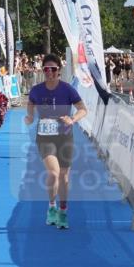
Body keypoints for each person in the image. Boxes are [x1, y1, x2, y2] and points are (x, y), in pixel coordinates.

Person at [24, 53, 87, 230]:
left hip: (65, 136)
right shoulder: (37, 90)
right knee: (53, 173)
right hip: (45, 136)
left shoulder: (67, 89)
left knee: (64, 177)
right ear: (42, 70)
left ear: (59, 70)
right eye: (46, 69)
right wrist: (30, 116)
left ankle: (63, 210)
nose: (49, 72)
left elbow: (83, 109)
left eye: (53, 69)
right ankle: (51, 207)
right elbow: (30, 102)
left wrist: (73, 119)